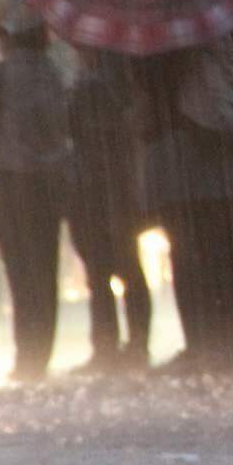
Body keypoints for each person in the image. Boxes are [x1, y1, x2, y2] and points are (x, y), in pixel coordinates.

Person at [131, 39, 233, 375]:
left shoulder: (165, 41)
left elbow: (149, 97)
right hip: (223, 155)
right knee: (223, 252)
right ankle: (223, 340)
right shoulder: (224, 34)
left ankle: (206, 344)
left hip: (184, 160)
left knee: (191, 255)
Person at [0, 8, 71, 383]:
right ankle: (41, 352)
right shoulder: (53, 74)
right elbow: (62, 125)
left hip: (11, 181)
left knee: (19, 271)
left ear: (8, 38)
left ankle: (25, 355)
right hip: (48, 182)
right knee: (45, 269)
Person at [66, 48, 152, 372]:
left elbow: (77, 131)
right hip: (117, 186)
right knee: (126, 266)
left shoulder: (91, 86)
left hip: (96, 189)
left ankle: (109, 347)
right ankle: (136, 343)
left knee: (102, 270)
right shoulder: (122, 84)